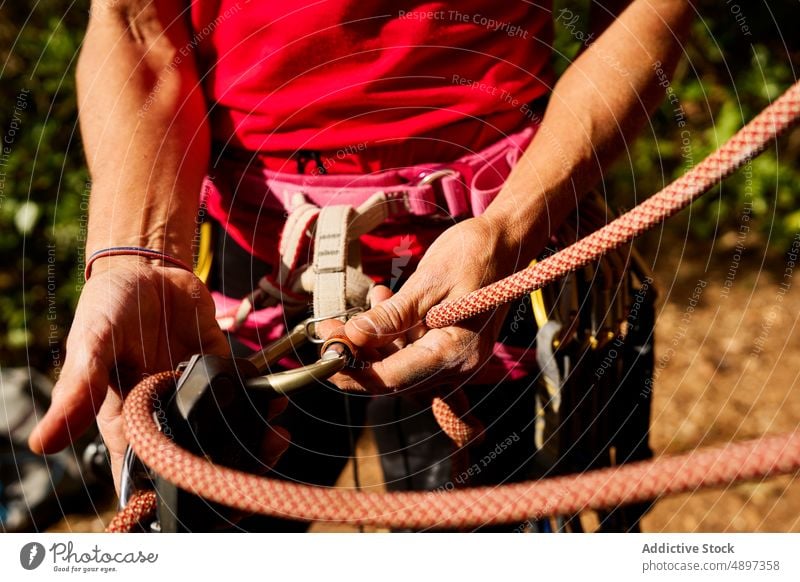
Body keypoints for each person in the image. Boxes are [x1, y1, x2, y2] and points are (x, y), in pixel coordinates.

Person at [29, 0, 692, 529]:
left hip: (501, 245)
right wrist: (135, 252)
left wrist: (512, 226)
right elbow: (136, 22)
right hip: (244, 256)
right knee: (202, 523)